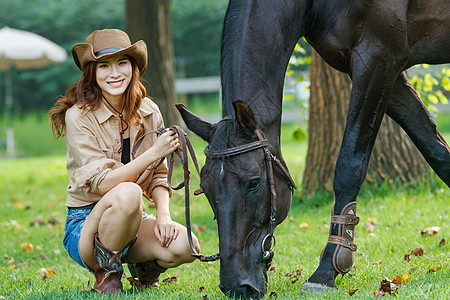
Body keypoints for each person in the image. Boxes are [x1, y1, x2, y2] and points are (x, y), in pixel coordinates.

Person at [49, 29, 200, 295]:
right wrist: (152, 153)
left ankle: (144, 267)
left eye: (122, 63)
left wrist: (164, 216)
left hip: (133, 218)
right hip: (86, 225)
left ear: (133, 67)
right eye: (104, 66)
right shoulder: (79, 117)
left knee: (186, 246)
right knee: (129, 192)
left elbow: (159, 175)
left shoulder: (149, 111)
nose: (114, 73)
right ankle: (106, 272)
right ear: (92, 73)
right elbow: (104, 184)